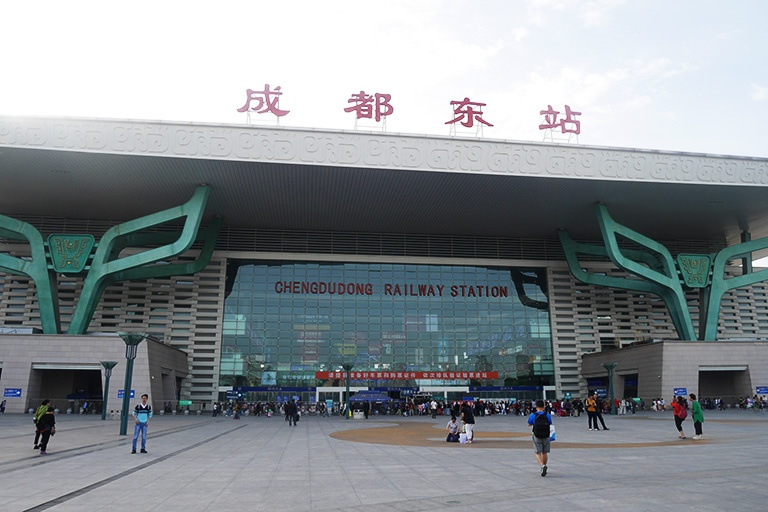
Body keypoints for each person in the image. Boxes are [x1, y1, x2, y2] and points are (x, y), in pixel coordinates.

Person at [527, 399, 552, 477]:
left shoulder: (533, 415)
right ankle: (544, 465)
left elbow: (529, 423)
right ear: (544, 406)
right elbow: (550, 423)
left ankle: (542, 466)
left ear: (536, 406)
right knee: (545, 452)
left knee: (538, 452)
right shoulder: (547, 415)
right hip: (546, 435)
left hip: (537, 435)